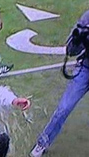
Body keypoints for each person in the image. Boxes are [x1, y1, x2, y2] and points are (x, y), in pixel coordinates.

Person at [30, 10, 89, 157]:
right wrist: (79, 40)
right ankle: (42, 143)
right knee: (63, 108)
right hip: (85, 69)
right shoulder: (87, 18)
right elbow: (70, 50)